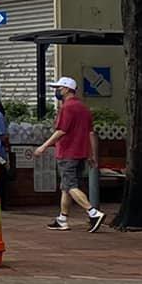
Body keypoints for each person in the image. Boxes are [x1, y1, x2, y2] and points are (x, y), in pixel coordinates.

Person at [34, 76, 105, 231]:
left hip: (67, 152)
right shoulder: (84, 108)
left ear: (66, 89)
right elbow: (91, 133)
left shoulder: (67, 108)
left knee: (70, 185)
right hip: (81, 153)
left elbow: (61, 130)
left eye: (58, 88)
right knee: (66, 186)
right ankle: (62, 218)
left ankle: (93, 212)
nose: (57, 91)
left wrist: (43, 146)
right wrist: (92, 155)